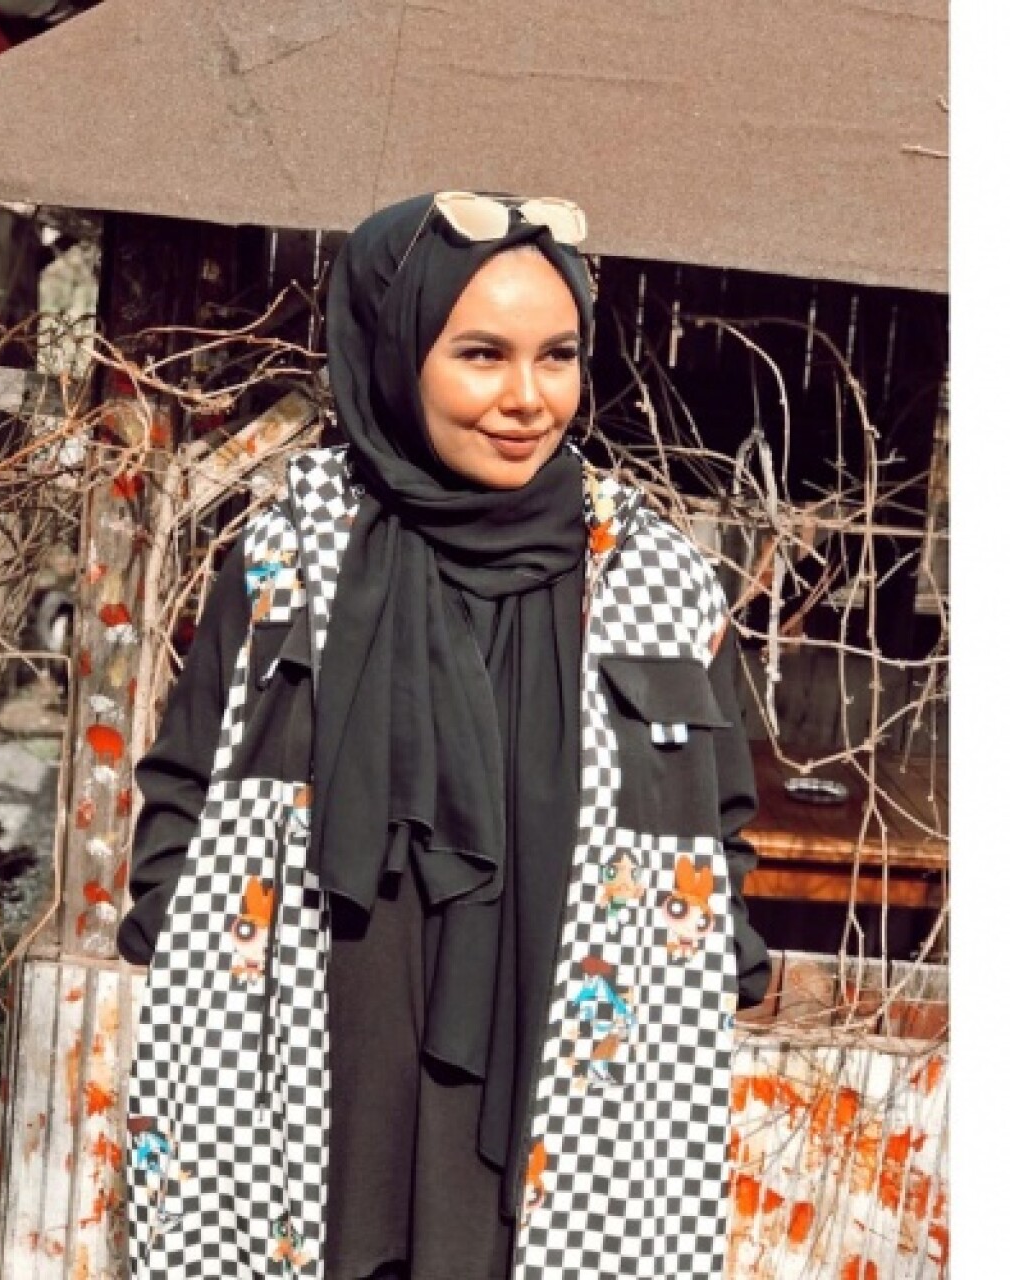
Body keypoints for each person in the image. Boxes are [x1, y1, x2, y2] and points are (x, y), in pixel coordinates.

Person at [118, 191, 771, 1280]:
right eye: (480, 355)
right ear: (395, 352)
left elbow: (716, 818)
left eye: (556, 355)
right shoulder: (288, 561)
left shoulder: (654, 580)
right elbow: (188, 775)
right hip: (312, 1051)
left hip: (572, 1067)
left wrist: (718, 964)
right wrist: (180, 939)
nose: (527, 398)